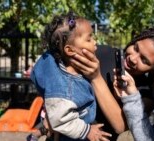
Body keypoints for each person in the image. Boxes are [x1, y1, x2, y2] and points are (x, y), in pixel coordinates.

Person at [70, 27, 154, 140]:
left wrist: (96, 78)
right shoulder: (101, 52)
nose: (133, 58)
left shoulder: (145, 93)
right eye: (136, 48)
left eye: (144, 60)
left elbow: (121, 126)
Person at [30, 12, 111, 141]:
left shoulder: (52, 61)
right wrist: (87, 130)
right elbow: (61, 120)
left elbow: (37, 71)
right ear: (70, 50)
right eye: (89, 39)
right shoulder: (64, 89)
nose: (95, 42)